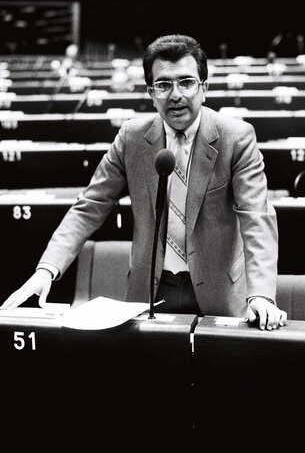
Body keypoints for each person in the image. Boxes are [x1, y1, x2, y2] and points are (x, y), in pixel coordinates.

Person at [1, 34, 286, 330]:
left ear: (205, 88)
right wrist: (47, 270)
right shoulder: (131, 138)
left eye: (186, 82)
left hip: (221, 292)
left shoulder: (236, 138)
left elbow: (257, 218)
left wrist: (261, 296)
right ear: (151, 93)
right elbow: (90, 205)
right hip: (150, 290)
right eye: (164, 85)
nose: (175, 95)